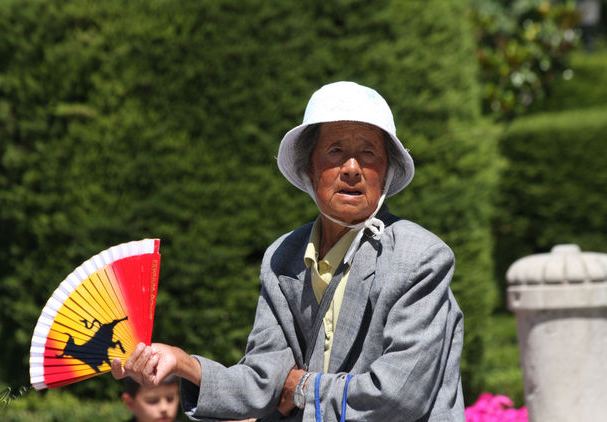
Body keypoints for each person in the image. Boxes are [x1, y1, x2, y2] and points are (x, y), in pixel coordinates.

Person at [112, 81, 464, 421]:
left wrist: (302, 388)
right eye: (336, 151)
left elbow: (399, 396)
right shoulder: (283, 256)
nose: (352, 169)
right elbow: (263, 381)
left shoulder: (420, 257)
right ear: (308, 168)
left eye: (369, 152)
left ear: (386, 171)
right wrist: (183, 363)